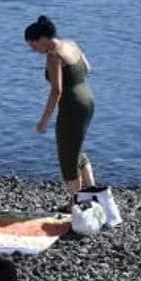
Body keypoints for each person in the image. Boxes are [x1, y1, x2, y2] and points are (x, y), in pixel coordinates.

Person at [25, 15, 97, 195]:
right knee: (76, 147)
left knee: (67, 155)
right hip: (87, 99)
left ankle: (77, 203)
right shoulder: (71, 44)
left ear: (42, 39)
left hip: (72, 105)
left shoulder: (53, 56)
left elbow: (56, 91)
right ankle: (92, 193)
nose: (34, 50)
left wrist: (44, 121)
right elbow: (87, 68)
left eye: (33, 45)